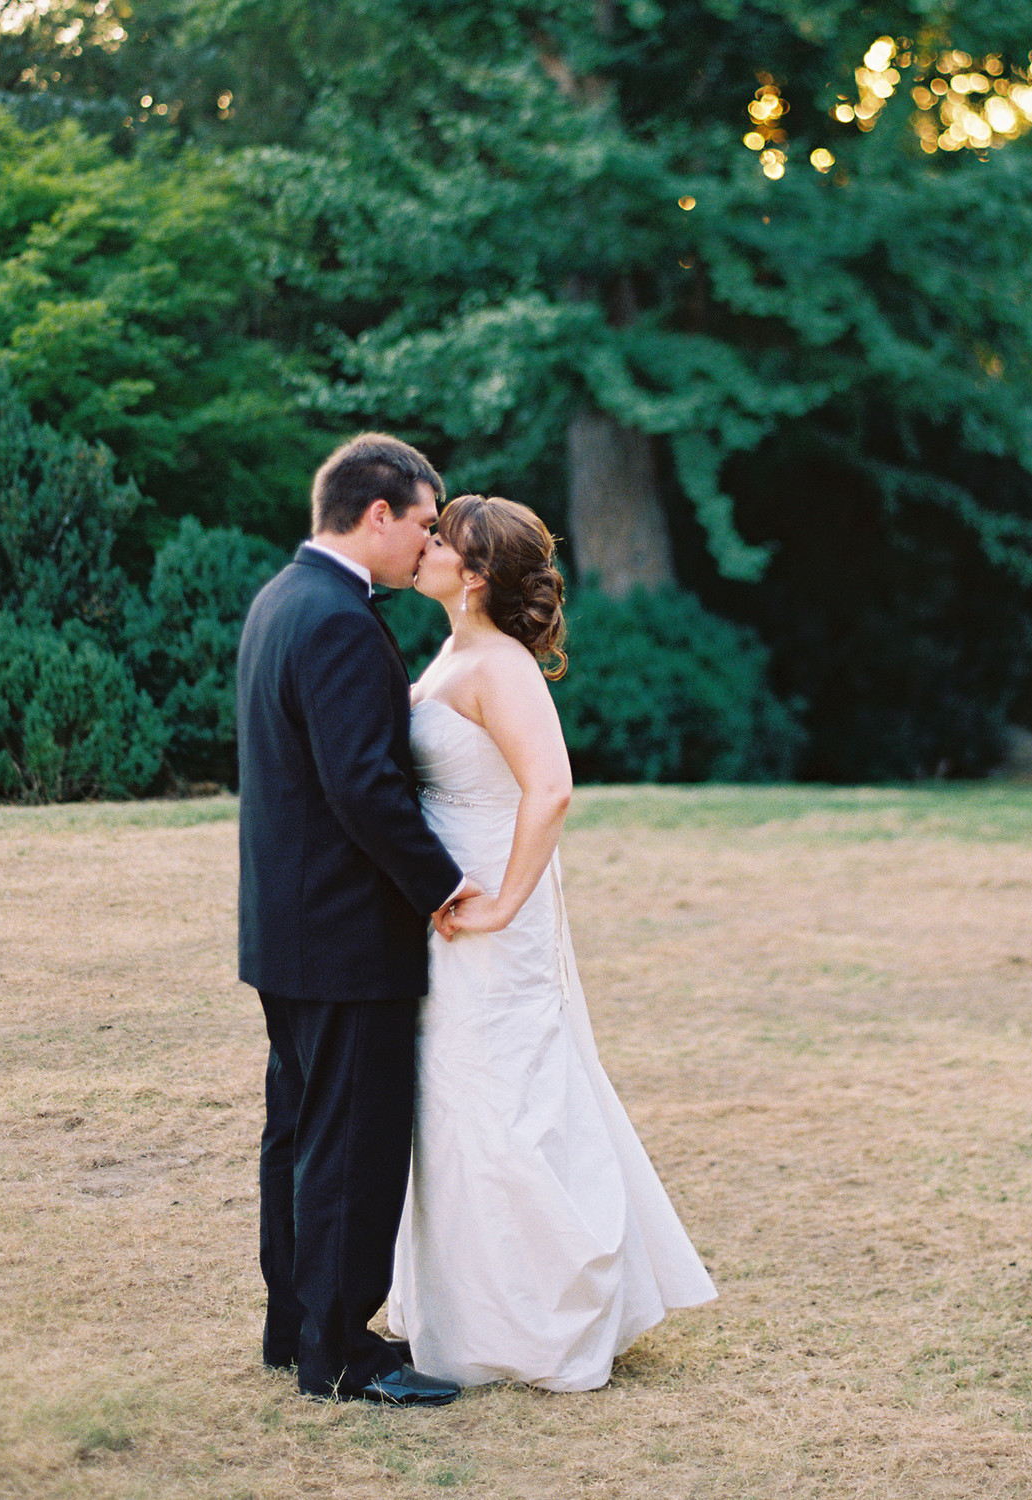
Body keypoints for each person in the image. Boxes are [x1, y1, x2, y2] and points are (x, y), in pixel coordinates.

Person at [387, 493, 717, 1391]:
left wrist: (502, 905)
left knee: (502, 1090)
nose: (423, 548)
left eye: (440, 541)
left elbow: (552, 790)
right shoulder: (453, 650)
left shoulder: (501, 666)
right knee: (453, 1093)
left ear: (477, 574)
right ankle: (471, 1309)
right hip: (452, 899)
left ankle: (540, 1320)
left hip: (495, 899)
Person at [237, 433, 479, 1405]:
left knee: (298, 1134)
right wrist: (442, 886)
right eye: (424, 522)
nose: (429, 542)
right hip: (344, 934)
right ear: (377, 514)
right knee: (349, 1142)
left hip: (288, 929)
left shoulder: (280, 599)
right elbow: (366, 789)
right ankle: (339, 1351)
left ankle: (294, 1327)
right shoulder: (336, 618)